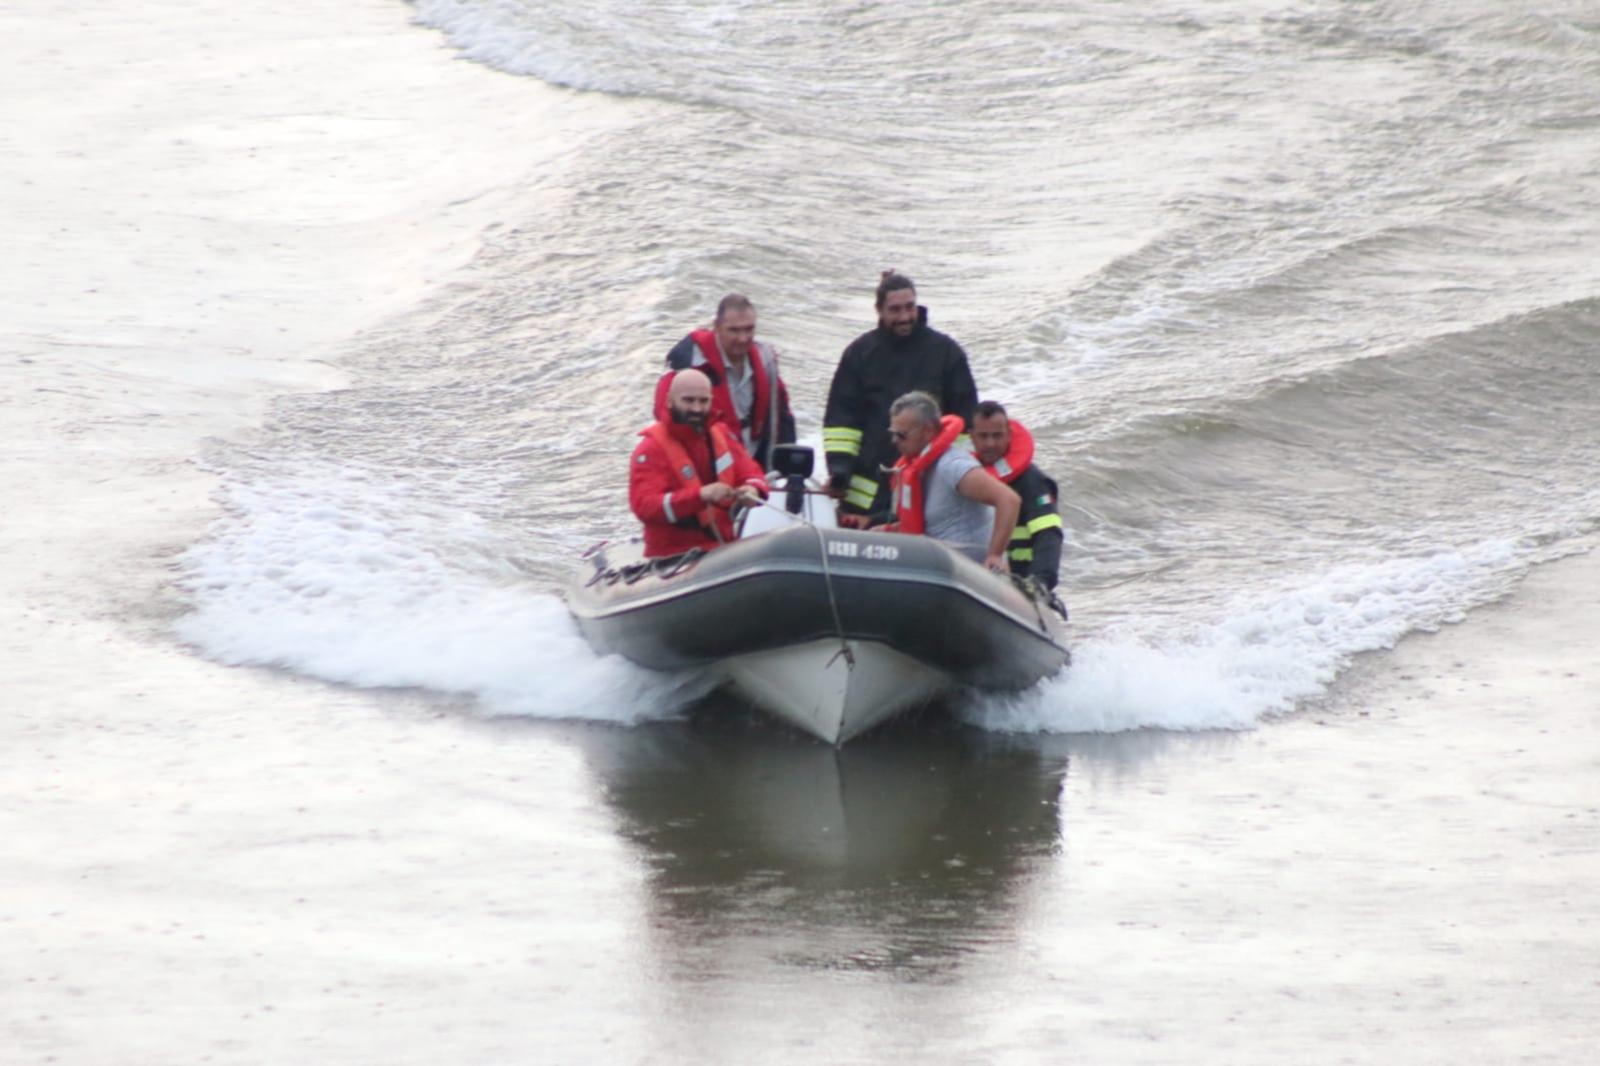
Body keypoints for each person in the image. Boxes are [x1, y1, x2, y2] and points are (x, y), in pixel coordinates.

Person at [822, 272, 978, 526]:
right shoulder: (860, 355)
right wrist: (839, 471)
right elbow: (842, 422)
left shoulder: (946, 353)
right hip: (866, 491)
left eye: (909, 307)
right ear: (879, 310)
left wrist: (958, 475)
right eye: (895, 310)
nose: (904, 317)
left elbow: (964, 421)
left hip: (927, 483)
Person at [630, 369, 769, 558]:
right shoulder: (651, 449)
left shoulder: (721, 435)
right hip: (672, 554)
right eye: (688, 400)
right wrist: (700, 496)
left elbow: (752, 473)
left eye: (703, 401)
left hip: (722, 547)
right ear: (670, 400)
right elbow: (645, 506)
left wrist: (752, 490)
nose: (697, 409)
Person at [653, 293, 795, 469]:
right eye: (734, 330)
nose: (743, 338)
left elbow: (781, 413)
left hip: (754, 462)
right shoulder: (688, 361)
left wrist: (788, 467)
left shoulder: (765, 359)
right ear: (717, 327)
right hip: (705, 465)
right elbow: (665, 417)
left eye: (749, 329)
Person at [883, 391, 1018, 573]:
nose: (894, 441)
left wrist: (994, 555)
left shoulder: (953, 465)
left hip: (970, 576)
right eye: (893, 434)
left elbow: (1009, 500)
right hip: (936, 570)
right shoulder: (919, 470)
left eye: (901, 435)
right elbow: (934, 523)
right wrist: (889, 532)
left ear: (928, 431)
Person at [970, 400, 1064, 589]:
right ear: (971, 437)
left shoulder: (1033, 482)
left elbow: (1048, 536)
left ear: (1009, 435)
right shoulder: (964, 477)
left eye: (997, 436)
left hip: (1020, 579)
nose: (990, 443)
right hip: (976, 577)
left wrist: (1040, 582)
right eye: (983, 436)